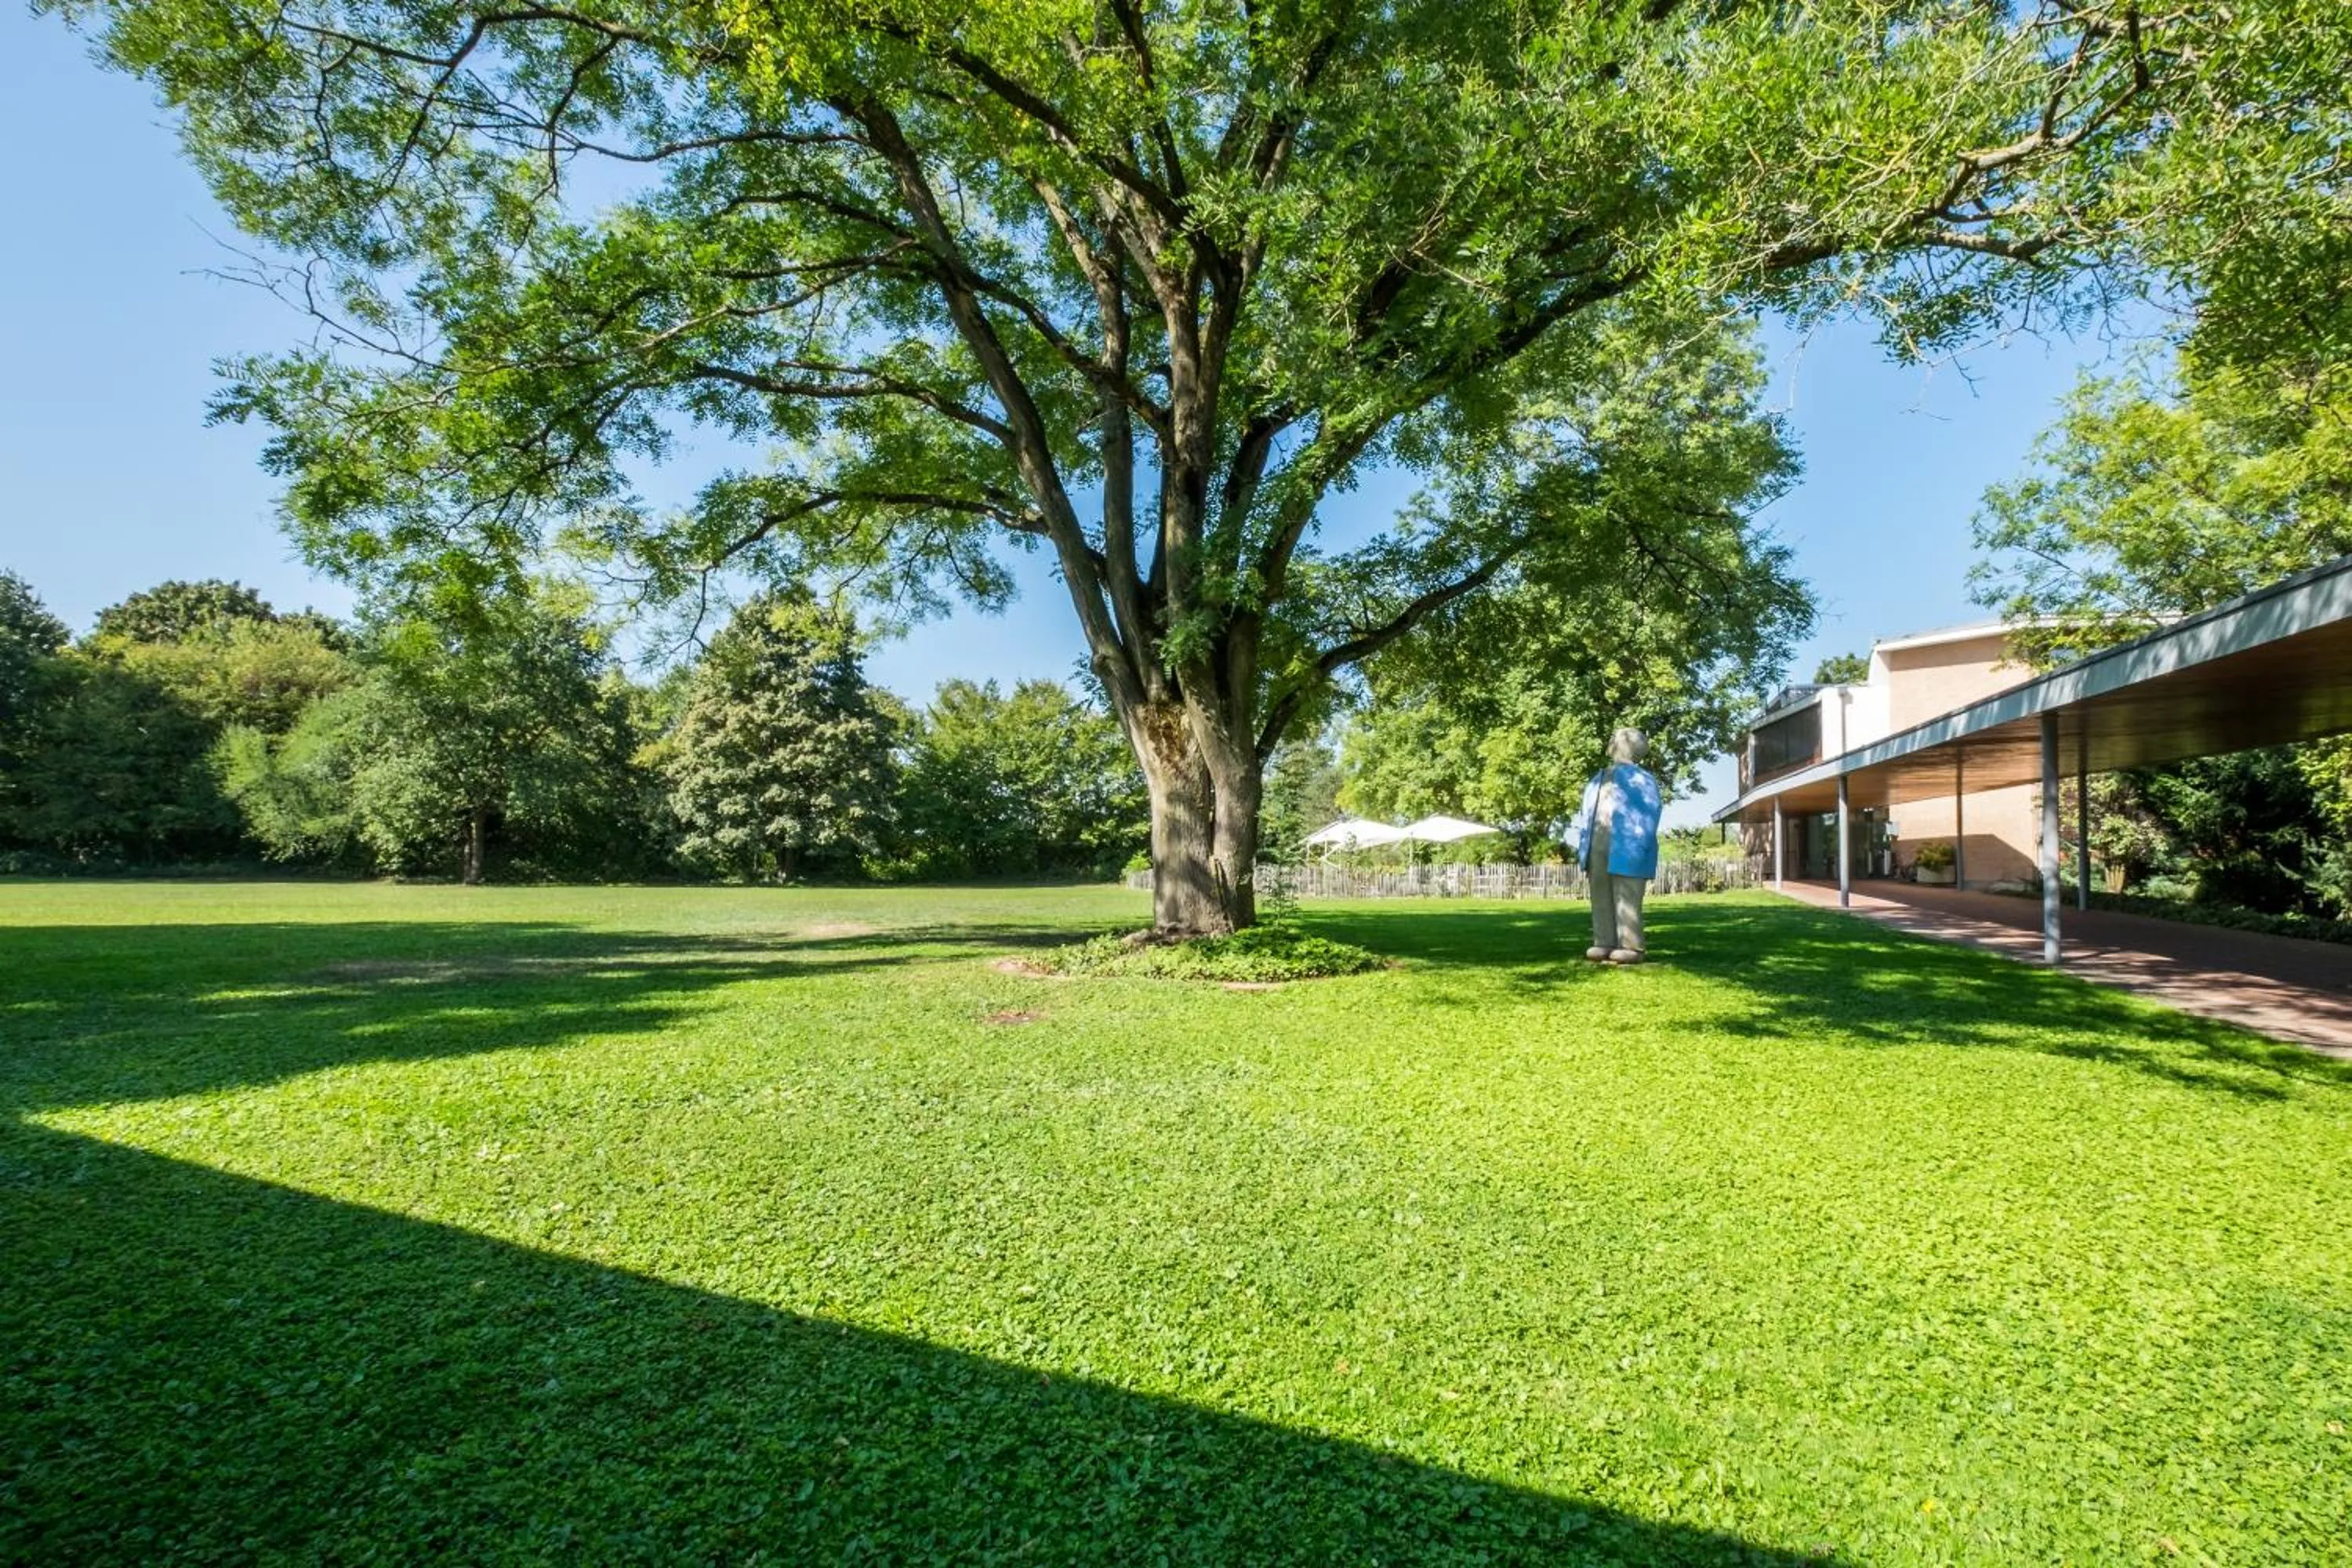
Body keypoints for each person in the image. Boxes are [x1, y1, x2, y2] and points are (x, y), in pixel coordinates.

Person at [1574, 728, 1663, 964]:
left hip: (1627, 844)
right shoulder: (1598, 778)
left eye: (1616, 739)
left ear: (1628, 747)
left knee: (1627, 895)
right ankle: (1604, 941)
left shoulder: (1642, 779)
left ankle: (1631, 946)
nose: (1611, 742)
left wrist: (1639, 844)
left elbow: (1649, 813)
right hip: (1597, 842)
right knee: (1600, 893)